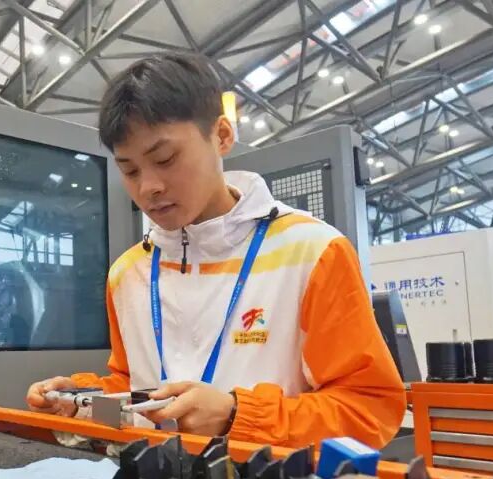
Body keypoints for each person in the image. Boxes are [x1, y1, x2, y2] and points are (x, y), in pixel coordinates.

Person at [25, 53, 404, 449]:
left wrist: (237, 416)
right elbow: (134, 383)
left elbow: (370, 408)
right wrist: (82, 400)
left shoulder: (311, 252)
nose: (148, 187)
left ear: (221, 135)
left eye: (165, 159)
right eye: (130, 170)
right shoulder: (128, 273)